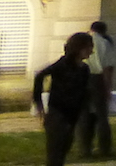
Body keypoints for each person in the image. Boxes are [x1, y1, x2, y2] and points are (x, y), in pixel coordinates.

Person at [34, 31, 95, 166]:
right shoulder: (63, 65)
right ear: (79, 48)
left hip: (72, 115)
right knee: (55, 153)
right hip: (58, 113)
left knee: (64, 149)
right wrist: (38, 103)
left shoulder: (84, 69)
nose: (91, 51)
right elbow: (40, 76)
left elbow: (84, 91)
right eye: (89, 47)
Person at [77, 20, 116, 159]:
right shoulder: (105, 43)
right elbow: (107, 68)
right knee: (102, 117)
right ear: (103, 31)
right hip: (97, 80)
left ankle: (85, 149)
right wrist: (108, 88)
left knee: (84, 116)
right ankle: (104, 148)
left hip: (81, 80)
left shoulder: (81, 41)